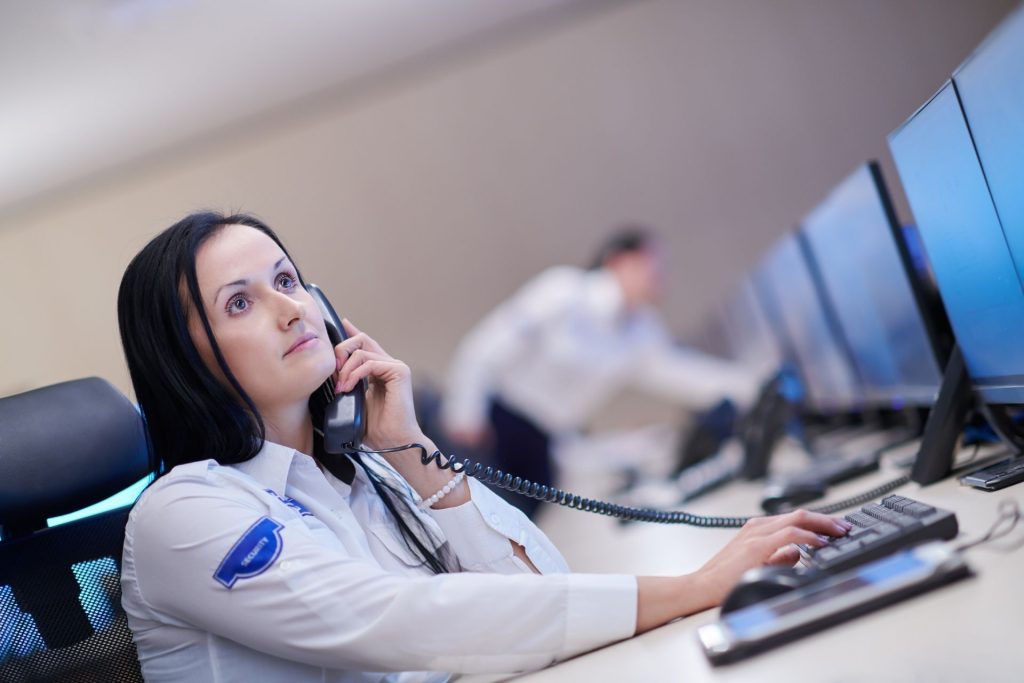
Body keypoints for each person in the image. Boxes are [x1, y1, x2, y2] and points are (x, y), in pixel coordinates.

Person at [116, 212, 850, 682]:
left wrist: (408, 448)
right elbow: (407, 619)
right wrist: (692, 587)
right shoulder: (185, 514)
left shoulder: (363, 469)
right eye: (240, 302)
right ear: (185, 359)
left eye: (287, 280)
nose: (289, 309)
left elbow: (540, 586)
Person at [443, 227, 762, 517]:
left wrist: (754, 388)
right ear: (620, 260)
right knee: (477, 522)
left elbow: (683, 372)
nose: (660, 278)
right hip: (498, 428)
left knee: (518, 531)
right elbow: (485, 346)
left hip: (545, 444)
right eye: (653, 265)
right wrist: (465, 415)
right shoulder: (563, 291)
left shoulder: (639, 328)